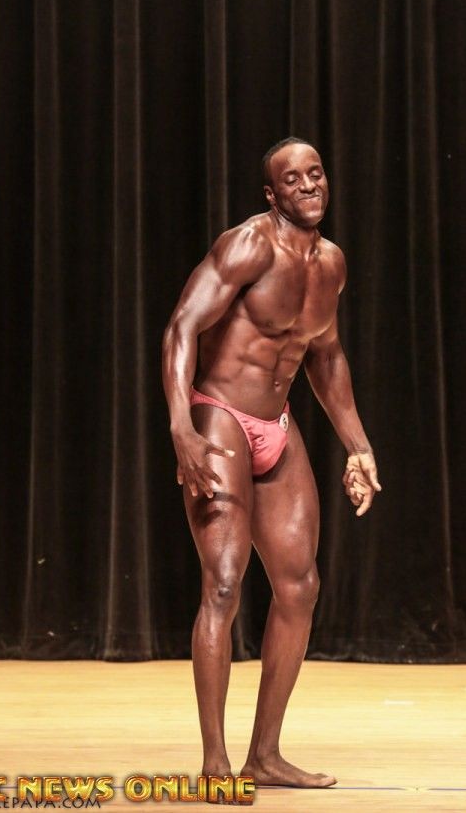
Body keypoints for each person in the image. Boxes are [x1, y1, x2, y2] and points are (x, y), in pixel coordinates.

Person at [162, 137, 381, 789]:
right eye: (293, 178)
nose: (309, 185)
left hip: (275, 425)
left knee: (300, 586)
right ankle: (215, 762)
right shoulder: (247, 246)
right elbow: (181, 327)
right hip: (219, 415)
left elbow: (326, 356)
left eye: (316, 173)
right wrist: (180, 426)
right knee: (224, 584)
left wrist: (358, 445)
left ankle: (264, 755)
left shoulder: (331, 263)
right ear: (272, 193)